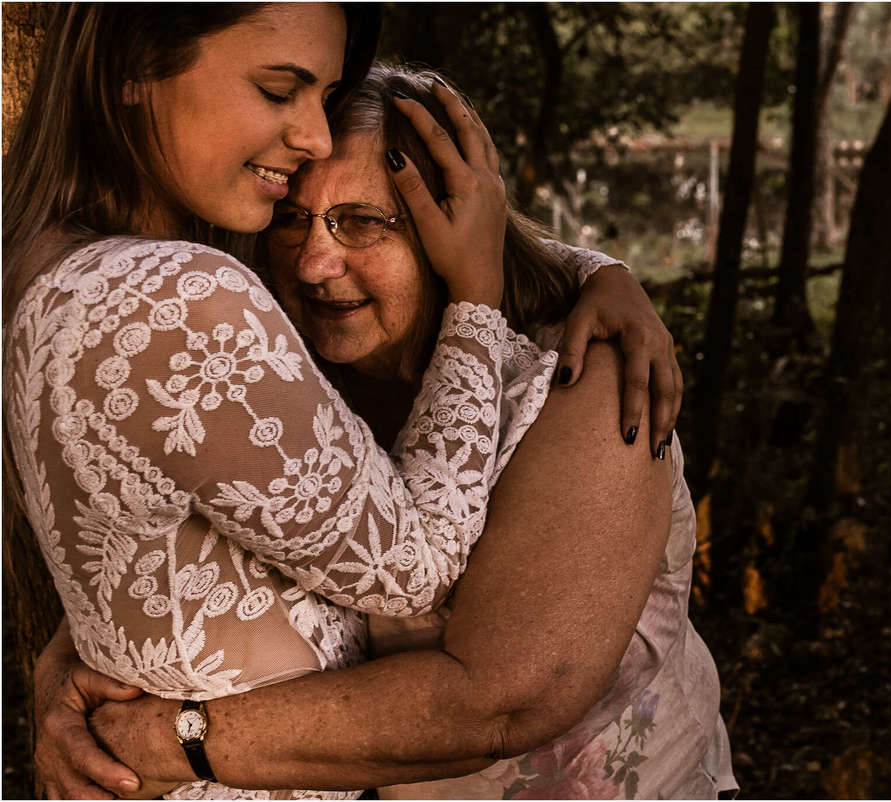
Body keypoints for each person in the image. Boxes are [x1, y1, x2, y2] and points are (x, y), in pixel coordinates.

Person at [4, 4, 714, 799]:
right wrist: (70, 672)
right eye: (294, 219)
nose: (313, 262)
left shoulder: (584, 382)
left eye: (362, 223)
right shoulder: (272, 373)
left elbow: (499, 701)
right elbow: (165, 546)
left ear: (457, 231)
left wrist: (174, 739)